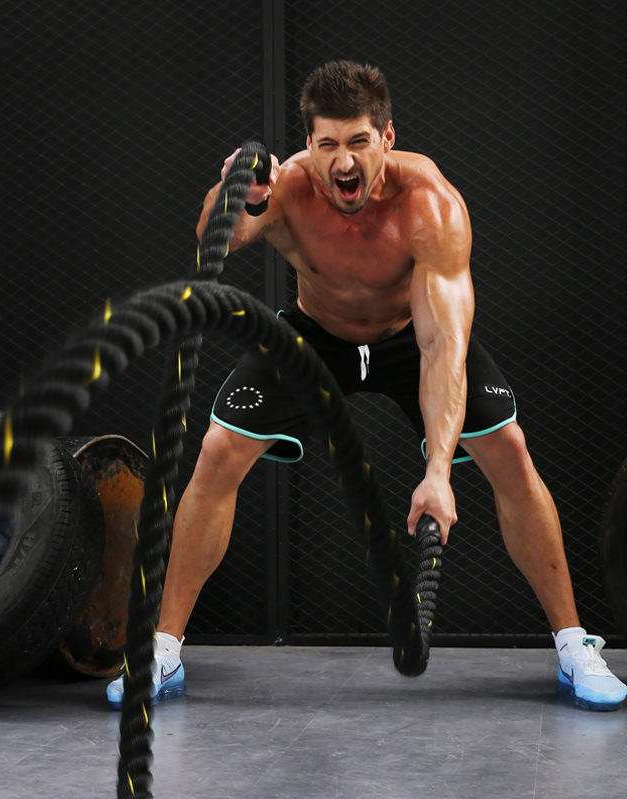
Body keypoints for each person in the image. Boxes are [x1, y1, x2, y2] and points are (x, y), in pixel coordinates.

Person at [107, 60, 626, 712]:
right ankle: (162, 650)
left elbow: (442, 347)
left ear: (387, 137)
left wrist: (438, 473)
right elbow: (223, 235)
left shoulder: (430, 205)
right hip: (314, 334)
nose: (343, 162)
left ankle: (574, 645)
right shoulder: (291, 187)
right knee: (218, 451)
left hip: (411, 337)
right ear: (309, 145)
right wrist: (236, 190)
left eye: (358, 141)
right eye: (327, 144)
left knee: (510, 450)